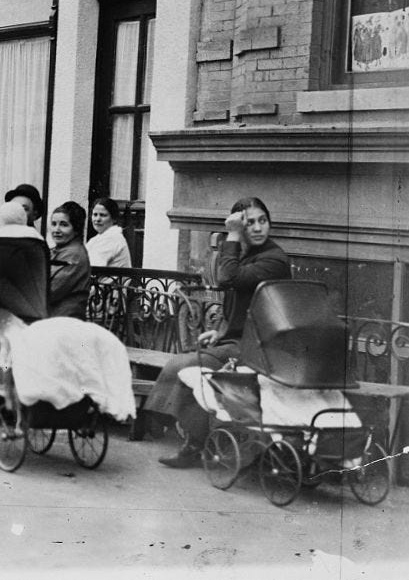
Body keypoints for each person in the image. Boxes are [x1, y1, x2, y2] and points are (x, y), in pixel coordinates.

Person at [144, 197, 291, 468]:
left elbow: (228, 279)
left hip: (260, 348)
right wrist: (218, 332)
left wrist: (233, 234)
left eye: (263, 221)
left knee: (187, 365)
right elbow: (240, 303)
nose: (258, 228)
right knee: (186, 362)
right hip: (240, 340)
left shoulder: (274, 260)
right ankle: (193, 440)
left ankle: (184, 436)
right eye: (249, 223)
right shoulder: (246, 255)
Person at [48, 201, 91, 319]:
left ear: (76, 229)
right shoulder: (56, 251)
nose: (56, 229)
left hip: (64, 321)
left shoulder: (74, 255)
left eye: (64, 224)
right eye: (53, 223)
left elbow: (50, 291)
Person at [85, 197, 132, 268]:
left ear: (114, 219)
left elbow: (92, 267)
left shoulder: (112, 238)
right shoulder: (97, 239)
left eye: (103, 215)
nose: (97, 219)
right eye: (95, 215)